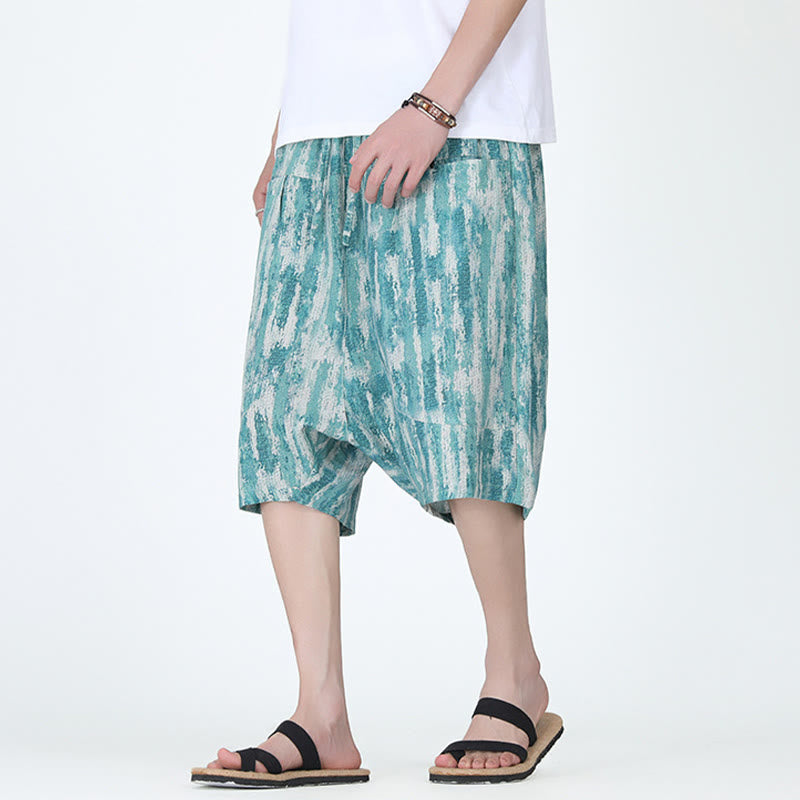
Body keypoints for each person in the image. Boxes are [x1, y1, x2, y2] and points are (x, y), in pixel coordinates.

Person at [191, 0, 563, 788]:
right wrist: (288, 132)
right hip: (316, 138)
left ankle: (515, 677)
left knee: (463, 404)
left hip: (463, 125)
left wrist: (433, 108)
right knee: (285, 417)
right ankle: (320, 715)